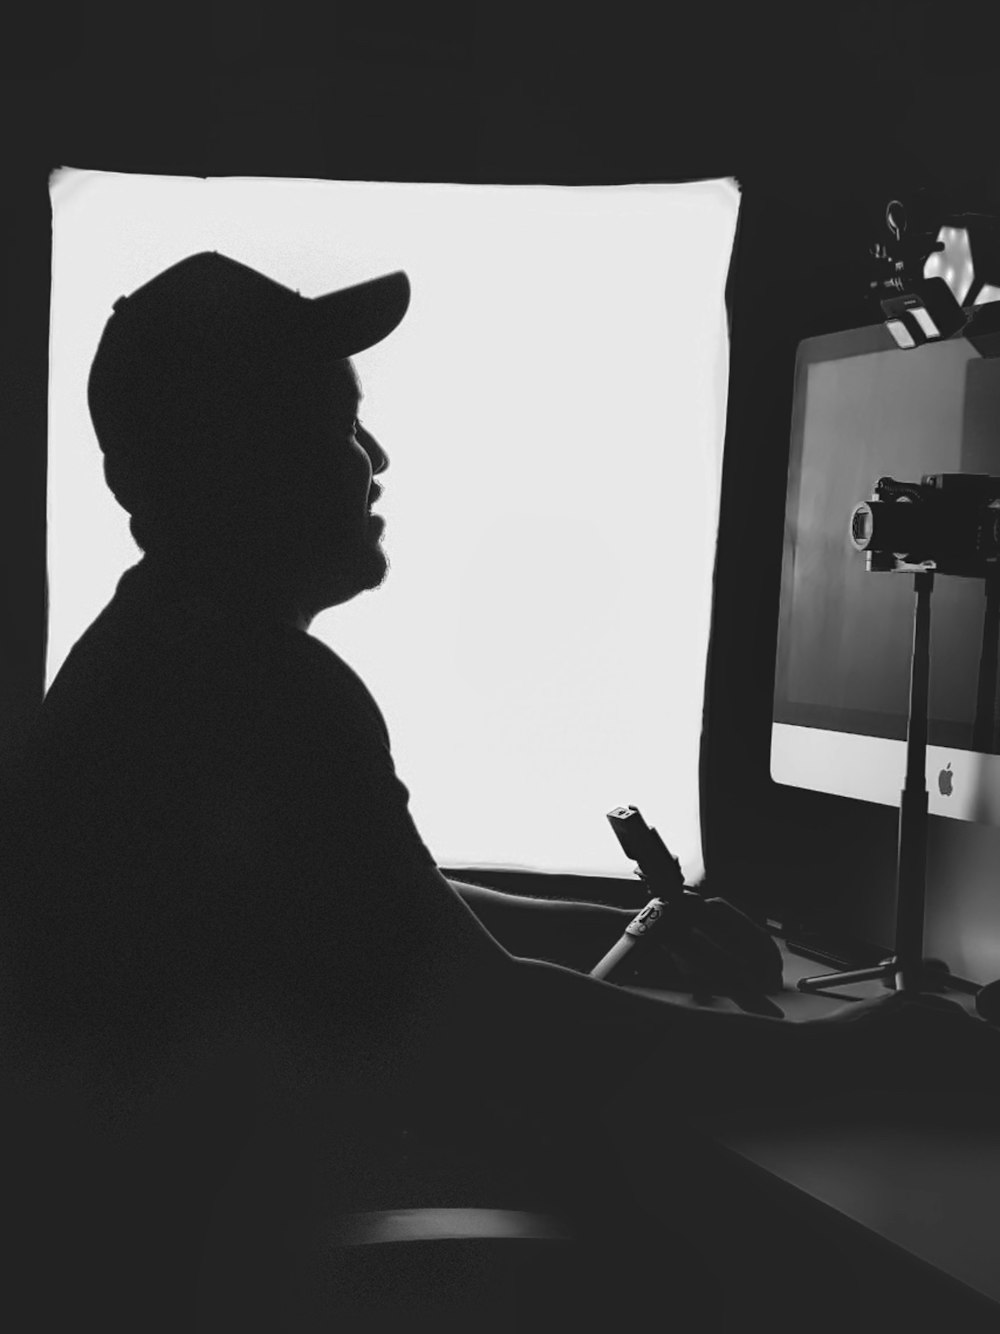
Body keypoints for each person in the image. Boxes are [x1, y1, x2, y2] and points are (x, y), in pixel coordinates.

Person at [2, 251, 998, 1331]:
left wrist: (619, 922)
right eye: (333, 425)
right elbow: (489, 1023)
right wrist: (853, 1053)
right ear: (231, 460)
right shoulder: (249, 685)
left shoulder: (166, 652)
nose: (373, 459)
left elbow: (389, 913)